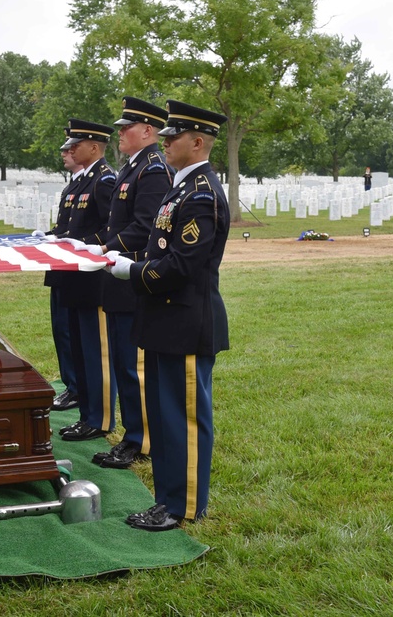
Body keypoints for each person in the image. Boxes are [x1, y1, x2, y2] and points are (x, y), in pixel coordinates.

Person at [106, 99, 230, 531]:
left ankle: (184, 505)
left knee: (185, 418)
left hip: (185, 321)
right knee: (162, 415)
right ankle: (166, 500)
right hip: (162, 318)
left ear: (197, 142)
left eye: (174, 136)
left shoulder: (201, 195)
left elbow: (181, 265)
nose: (165, 141)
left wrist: (131, 270)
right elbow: (160, 247)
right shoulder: (180, 188)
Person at [86, 97, 172, 469]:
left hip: (131, 275)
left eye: (127, 127)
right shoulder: (133, 167)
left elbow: (145, 227)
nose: (119, 133)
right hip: (117, 276)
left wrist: (105, 247)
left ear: (148, 132)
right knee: (122, 363)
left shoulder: (152, 169)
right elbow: (119, 221)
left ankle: (141, 440)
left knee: (131, 366)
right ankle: (132, 435)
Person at [55, 120, 117, 442]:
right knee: (80, 350)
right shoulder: (80, 183)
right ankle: (87, 414)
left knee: (96, 353)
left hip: (94, 280)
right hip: (75, 277)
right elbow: (71, 227)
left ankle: (101, 418)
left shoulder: (103, 181)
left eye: (75, 144)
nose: (69, 149)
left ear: (94, 147)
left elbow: (112, 228)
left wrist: (86, 244)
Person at [39, 131, 85, 412]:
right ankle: (71, 383)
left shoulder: (100, 182)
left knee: (70, 332)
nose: (64, 154)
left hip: (77, 272)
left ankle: (77, 387)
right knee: (61, 330)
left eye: (70, 150)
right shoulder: (73, 186)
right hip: (61, 269)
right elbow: (64, 228)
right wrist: (44, 237)